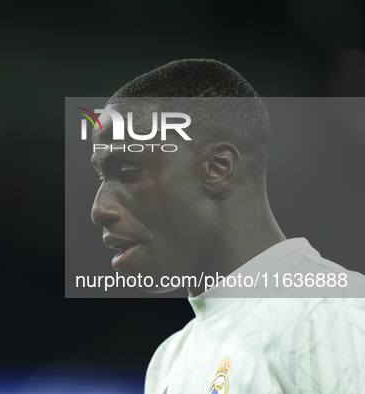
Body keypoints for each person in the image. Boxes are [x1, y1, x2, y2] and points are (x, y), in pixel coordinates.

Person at [90, 59, 365, 393]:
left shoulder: (332, 311)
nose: (99, 209)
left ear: (216, 169)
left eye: (128, 172)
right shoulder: (170, 360)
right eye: (102, 178)